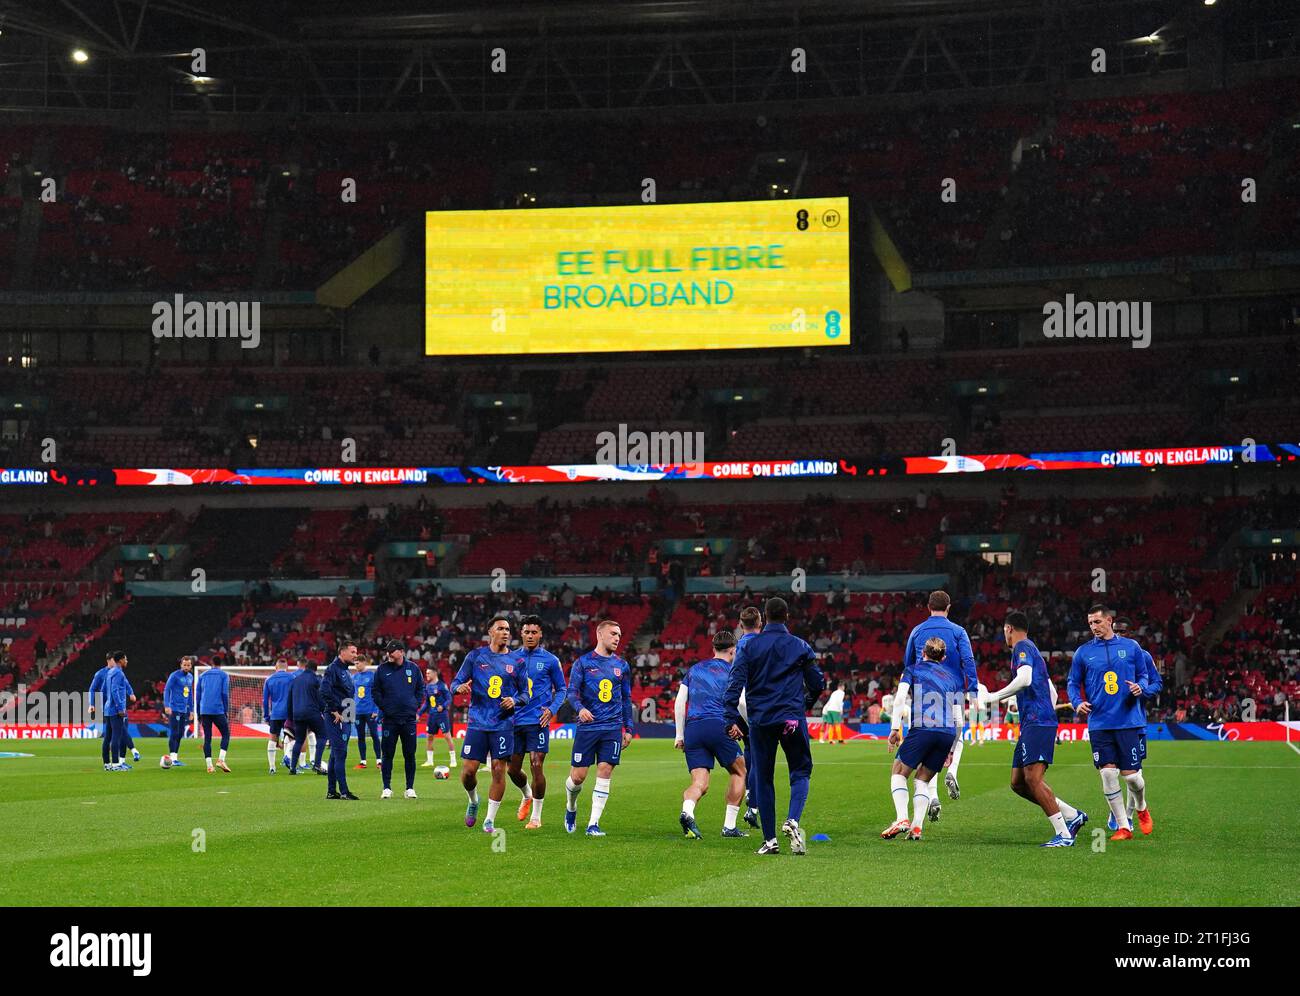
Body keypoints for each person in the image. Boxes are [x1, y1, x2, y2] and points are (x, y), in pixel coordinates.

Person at [723, 597, 823, 856]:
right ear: (787, 615)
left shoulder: (749, 647)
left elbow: (735, 682)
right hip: (791, 719)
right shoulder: (800, 646)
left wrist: (730, 717)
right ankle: (792, 819)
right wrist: (803, 705)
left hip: (761, 720)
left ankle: (770, 840)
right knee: (800, 771)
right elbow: (818, 683)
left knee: (764, 777)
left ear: (764, 618)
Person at [980, 611, 1087, 847]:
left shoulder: (1022, 647)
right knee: (1018, 783)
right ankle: (1072, 815)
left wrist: (992, 698)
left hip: (1037, 721)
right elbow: (1049, 689)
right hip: (1035, 721)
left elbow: (1025, 679)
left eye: (1004, 631)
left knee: (1033, 778)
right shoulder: (1033, 650)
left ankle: (1064, 834)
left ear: (1009, 629)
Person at [1068, 604, 1160, 841]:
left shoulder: (1132, 648)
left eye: (1097, 622)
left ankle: (1141, 807)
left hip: (1128, 721)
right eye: (1090, 623)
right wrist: (1077, 701)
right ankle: (1123, 827)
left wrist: (1142, 688)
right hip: (1099, 722)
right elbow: (1072, 682)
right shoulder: (1083, 652)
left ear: (1109, 620)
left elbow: (1146, 677)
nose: (1093, 627)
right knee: (1108, 775)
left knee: (1131, 777)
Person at [902, 591, 979, 808]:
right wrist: (972, 691)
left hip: (924, 694)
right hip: (952, 692)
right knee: (954, 736)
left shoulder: (917, 631)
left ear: (928, 607)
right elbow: (968, 660)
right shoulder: (958, 631)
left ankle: (932, 794)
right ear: (949, 607)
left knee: (928, 742)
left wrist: (909, 688)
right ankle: (952, 771)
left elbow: (908, 662)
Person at [453, 617, 530, 832]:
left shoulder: (517, 662)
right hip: (478, 722)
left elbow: (525, 693)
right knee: (469, 771)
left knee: (498, 769)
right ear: (490, 632)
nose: (505, 632)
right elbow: (455, 682)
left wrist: (514, 700)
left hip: (504, 724)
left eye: (508, 629)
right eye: (501, 628)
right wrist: (458, 688)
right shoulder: (475, 656)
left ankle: (489, 819)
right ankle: (473, 800)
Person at [882, 636, 961, 841]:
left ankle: (901, 818)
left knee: (899, 770)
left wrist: (894, 729)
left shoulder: (912, 669)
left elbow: (900, 699)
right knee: (923, 779)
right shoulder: (954, 677)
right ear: (943, 657)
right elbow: (958, 718)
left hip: (924, 727)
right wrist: (951, 749)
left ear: (923, 653)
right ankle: (917, 828)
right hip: (947, 732)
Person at [675, 630, 749, 839]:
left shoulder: (694, 669)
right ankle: (729, 826)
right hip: (719, 725)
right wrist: (747, 725)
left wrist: (679, 735)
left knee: (700, 783)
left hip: (693, 729)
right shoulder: (734, 670)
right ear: (733, 650)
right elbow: (742, 703)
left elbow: (680, 702)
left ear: (714, 648)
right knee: (740, 772)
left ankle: (687, 812)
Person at [563, 619, 632, 837]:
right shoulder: (583, 663)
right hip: (588, 727)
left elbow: (626, 698)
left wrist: (628, 728)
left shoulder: (622, 666)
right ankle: (571, 807)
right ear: (599, 634)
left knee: (605, 770)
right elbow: (571, 692)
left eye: (619, 635)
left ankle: (593, 823)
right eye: (613, 634)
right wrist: (580, 708)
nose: (617, 638)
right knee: (578, 777)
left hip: (612, 727)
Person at [507, 615, 567, 829]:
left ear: (540, 634)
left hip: (538, 720)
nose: (530, 635)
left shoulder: (551, 660)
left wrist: (551, 710)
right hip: (514, 721)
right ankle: (527, 795)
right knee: (512, 770)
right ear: (521, 634)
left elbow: (562, 689)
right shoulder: (511, 659)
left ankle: (536, 817)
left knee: (536, 763)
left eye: (534, 632)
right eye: (527, 632)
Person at [373, 640, 424, 800]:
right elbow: (375, 692)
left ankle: (410, 788)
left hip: (408, 719)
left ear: (401, 652)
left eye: (392, 651)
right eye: (387, 651)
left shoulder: (413, 669)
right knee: (387, 754)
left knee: (410, 754)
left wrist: (414, 705)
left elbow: (420, 690)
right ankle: (386, 787)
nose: (388, 653)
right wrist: (385, 707)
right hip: (389, 719)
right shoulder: (381, 669)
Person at [736, 605, 763, 828]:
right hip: (753, 709)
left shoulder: (739, 645)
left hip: (739, 709)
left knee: (750, 754)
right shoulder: (759, 645)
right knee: (760, 759)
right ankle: (753, 805)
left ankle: (748, 793)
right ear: (760, 623)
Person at [320, 642, 358, 800]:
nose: (356, 655)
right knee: (340, 752)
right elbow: (324, 690)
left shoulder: (345, 670)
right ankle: (344, 791)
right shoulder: (333, 669)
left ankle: (331, 791)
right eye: (353, 652)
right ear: (342, 652)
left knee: (337, 753)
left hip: (347, 714)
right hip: (338, 716)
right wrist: (334, 710)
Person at [287, 661, 325, 776]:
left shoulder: (295, 680)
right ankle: (317, 764)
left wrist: (290, 717)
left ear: (305, 668)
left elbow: (289, 700)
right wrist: (323, 710)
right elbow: (320, 696)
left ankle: (293, 767)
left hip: (297, 714)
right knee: (322, 736)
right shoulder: (316, 679)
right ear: (315, 669)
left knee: (299, 740)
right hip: (312, 712)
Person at [195, 658, 231, 773]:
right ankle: (221, 760)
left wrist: (198, 712)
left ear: (211, 664)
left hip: (204, 710)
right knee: (225, 733)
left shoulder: (202, 675)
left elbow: (198, 695)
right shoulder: (224, 675)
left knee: (207, 738)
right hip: (218, 709)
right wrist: (226, 710)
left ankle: (209, 766)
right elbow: (224, 693)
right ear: (221, 664)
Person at [418, 667, 456, 770]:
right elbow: (426, 702)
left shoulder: (441, 686)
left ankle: (453, 760)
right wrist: (419, 714)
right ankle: (429, 761)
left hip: (442, 715)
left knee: (447, 736)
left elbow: (449, 699)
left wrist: (443, 706)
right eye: (426, 673)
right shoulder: (427, 686)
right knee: (429, 737)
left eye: (429, 673)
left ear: (435, 673)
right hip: (432, 715)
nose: (427, 675)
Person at [161, 655, 195, 768]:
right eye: (184, 665)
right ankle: (173, 758)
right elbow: (167, 689)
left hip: (184, 710)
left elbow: (190, 694)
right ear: (181, 665)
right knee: (175, 732)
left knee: (180, 733)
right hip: (174, 708)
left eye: (188, 665)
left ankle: (175, 757)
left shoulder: (191, 677)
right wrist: (167, 705)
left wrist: (191, 710)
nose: (186, 667)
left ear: (191, 666)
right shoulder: (175, 675)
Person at [262, 657, 294, 774]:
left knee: (273, 738)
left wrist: (266, 716)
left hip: (275, 714)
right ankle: (287, 757)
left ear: (276, 667)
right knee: (291, 737)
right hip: (289, 713)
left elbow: (265, 701)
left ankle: (272, 767)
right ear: (287, 667)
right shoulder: (292, 678)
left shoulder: (269, 680)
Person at [100, 651, 131, 772]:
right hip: (116, 710)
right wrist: (119, 708)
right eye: (126, 659)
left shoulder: (110, 672)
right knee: (116, 737)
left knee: (107, 737)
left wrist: (107, 704)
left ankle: (107, 764)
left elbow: (103, 690)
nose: (127, 661)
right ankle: (116, 764)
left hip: (108, 709)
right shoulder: (119, 673)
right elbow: (114, 690)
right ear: (121, 660)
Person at [351, 653, 382, 769]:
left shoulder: (372, 676)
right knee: (360, 736)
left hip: (370, 710)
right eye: (355, 664)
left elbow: (377, 693)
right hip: (358, 711)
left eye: (357, 663)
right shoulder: (354, 677)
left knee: (374, 735)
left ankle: (379, 760)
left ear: (364, 662)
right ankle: (363, 761)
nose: (356, 666)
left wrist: (376, 709)